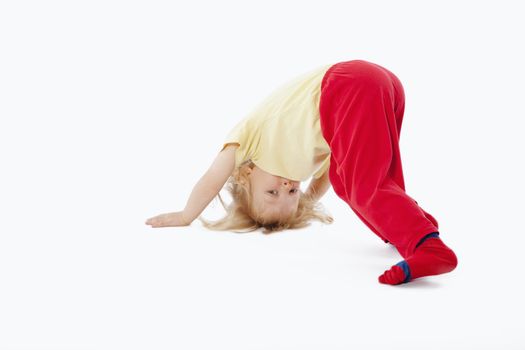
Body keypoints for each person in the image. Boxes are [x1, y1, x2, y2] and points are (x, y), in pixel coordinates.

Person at [145, 59, 458, 285]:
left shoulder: (247, 143)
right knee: (354, 182)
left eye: (272, 192)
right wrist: (306, 198)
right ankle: (410, 227)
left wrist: (187, 215)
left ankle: (431, 248)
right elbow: (323, 182)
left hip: (346, 85)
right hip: (379, 87)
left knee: (364, 186)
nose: (285, 185)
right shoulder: (304, 158)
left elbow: (213, 176)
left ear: (244, 177)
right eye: (291, 192)